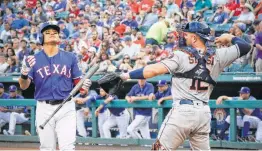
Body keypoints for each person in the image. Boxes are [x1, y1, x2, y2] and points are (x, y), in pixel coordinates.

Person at [120, 21, 252, 150]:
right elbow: (245, 47)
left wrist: (126, 75)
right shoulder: (219, 55)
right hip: (203, 114)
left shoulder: (181, 55)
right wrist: (229, 37)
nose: (183, 37)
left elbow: (153, 70)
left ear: (194, 37)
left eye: (186, 35)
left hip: (183, 112)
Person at [18, 22, 92, 151]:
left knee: (67, 147)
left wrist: (85, 85)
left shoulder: (71, 57)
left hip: (66, 106)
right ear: (41, 38)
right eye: (48, 32)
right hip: (43, 107)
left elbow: (81, 87)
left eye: (55, 32)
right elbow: (24, 86)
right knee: (47, 147)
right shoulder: (33, 59)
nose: (52, 33)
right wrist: (24, 72)